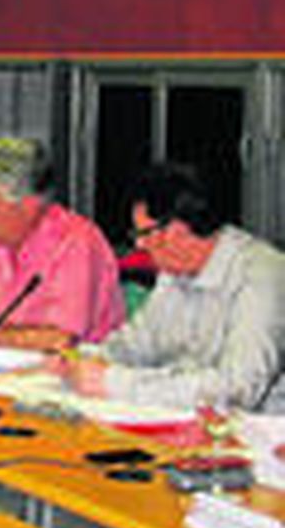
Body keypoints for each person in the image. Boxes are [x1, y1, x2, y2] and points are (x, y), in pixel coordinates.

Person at [59, 163, 285, 413]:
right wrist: (79, 359)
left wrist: (118, 385)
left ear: (177, 230)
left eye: (144, 233)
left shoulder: (263, 275)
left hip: (257, 427)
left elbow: (238, 389)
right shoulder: (173, 271)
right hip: (186, 419)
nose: (139, 245)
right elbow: (136, 345)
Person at [0, 138, 123, 349]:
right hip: (7, 364)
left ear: (29, 206)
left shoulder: (76, 243)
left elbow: (59, 339)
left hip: (80, 366)